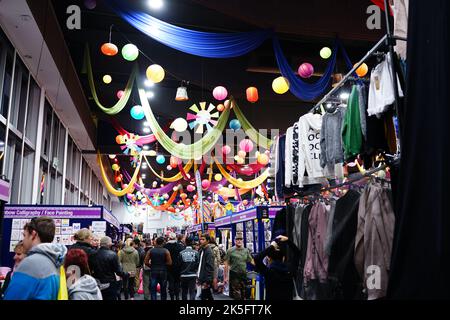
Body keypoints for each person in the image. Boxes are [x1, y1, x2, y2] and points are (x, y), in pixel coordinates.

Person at [4, 217, 67, 300]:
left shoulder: (31, 263)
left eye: (25, 235)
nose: (23, 241)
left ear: (33, 234)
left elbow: (13, 297)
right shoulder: (55, 261)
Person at [254, 235, 295, 300]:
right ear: (283, 258)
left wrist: (271, 247)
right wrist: (288, 240)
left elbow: (256, 258)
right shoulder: (290, 271)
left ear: (268, 258)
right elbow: (297, 253)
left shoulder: (269, 273)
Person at [92, 236, 125, 300]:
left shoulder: (93, 254)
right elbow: (118, 271)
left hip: (97, 282)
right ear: (109, 244)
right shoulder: (112, 254)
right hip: (110, 283)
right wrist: (126, 274)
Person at [224, 233, 255, 300]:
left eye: (240, 239)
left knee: (244, 293)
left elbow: (251, 260)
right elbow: (226, 264)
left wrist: (260, 266)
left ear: (242, 240)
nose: (239, 241)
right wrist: (225, 277)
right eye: (237, 239)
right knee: (237, 293)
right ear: (235, 241)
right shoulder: (230, 251)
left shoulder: (246, 250)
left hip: (243, 274)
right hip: (234, 274)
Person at [164, 232, 184, 300]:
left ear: (169, 238)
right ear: (175, 238)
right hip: (178, 267)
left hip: (168, 267)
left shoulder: (165, 246)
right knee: (177, 282)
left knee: (170, 282)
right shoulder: (180, 246)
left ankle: (172, 297)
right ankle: (177, 296)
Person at [197, 234, 215, 300]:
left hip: (206, 278)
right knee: (208, 295)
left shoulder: (209, 251)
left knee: (204, 296)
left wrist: (207, 280)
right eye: (200, 239)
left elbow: (210, 267)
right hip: (202, 277)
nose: (201, 241)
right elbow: (200, 264)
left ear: (207, 241)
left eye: (203, 239)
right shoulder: (202, 250)